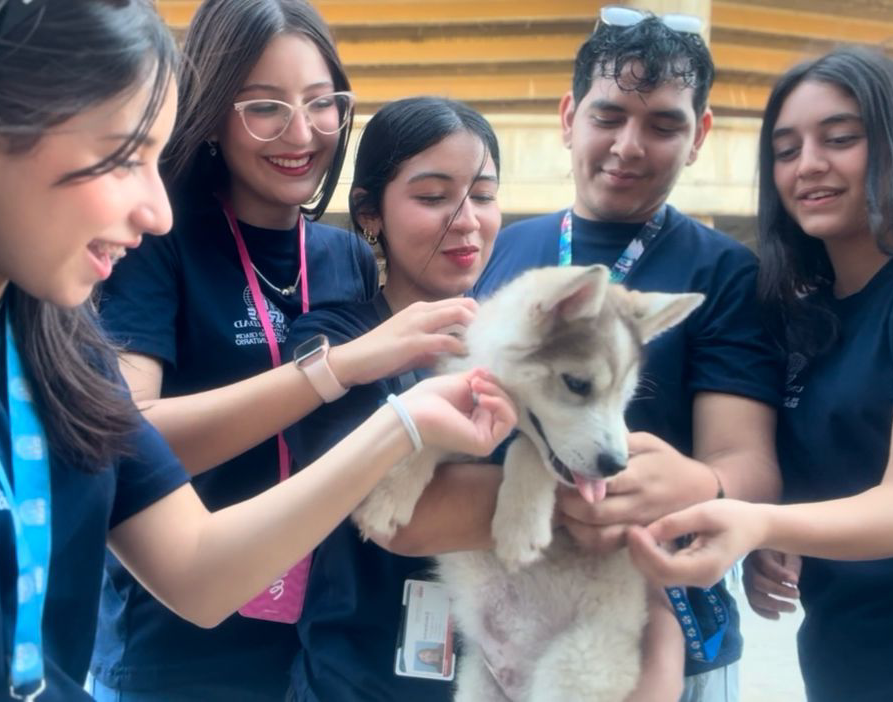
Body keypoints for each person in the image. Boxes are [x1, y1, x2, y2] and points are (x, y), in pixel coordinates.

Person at [0, 2, 517, 701]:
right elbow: (140, 445)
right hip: (177, 661)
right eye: (124, 156)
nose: (154, 210)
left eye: (322, 105)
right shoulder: (153, 258)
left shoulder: (61, 344)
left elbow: (195, 563)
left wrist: (404, 423)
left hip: (311, 638)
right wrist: (339, 369)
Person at [386, 8, 783, 701]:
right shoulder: (499, 251)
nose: (629, 145)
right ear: (569, 117)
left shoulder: (722, 272)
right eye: (608, 116)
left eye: (663, 124)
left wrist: (696, 487)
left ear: (700, 136)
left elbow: (748, 467)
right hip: (495, 624)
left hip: (654, 642)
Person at [627, 47, 893, 702]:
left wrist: (758, 525)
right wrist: (775, 538)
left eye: (840, 139)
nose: (808, 165)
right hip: (841, 655)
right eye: (785, 148)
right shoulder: (807, 316)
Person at [282, 97, 501, 702]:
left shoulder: (516, 341)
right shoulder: (330, 342)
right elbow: (400, 517)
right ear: (369, 212)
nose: (467, 221)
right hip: (353, 680)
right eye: (434, 197)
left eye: (483, 195)